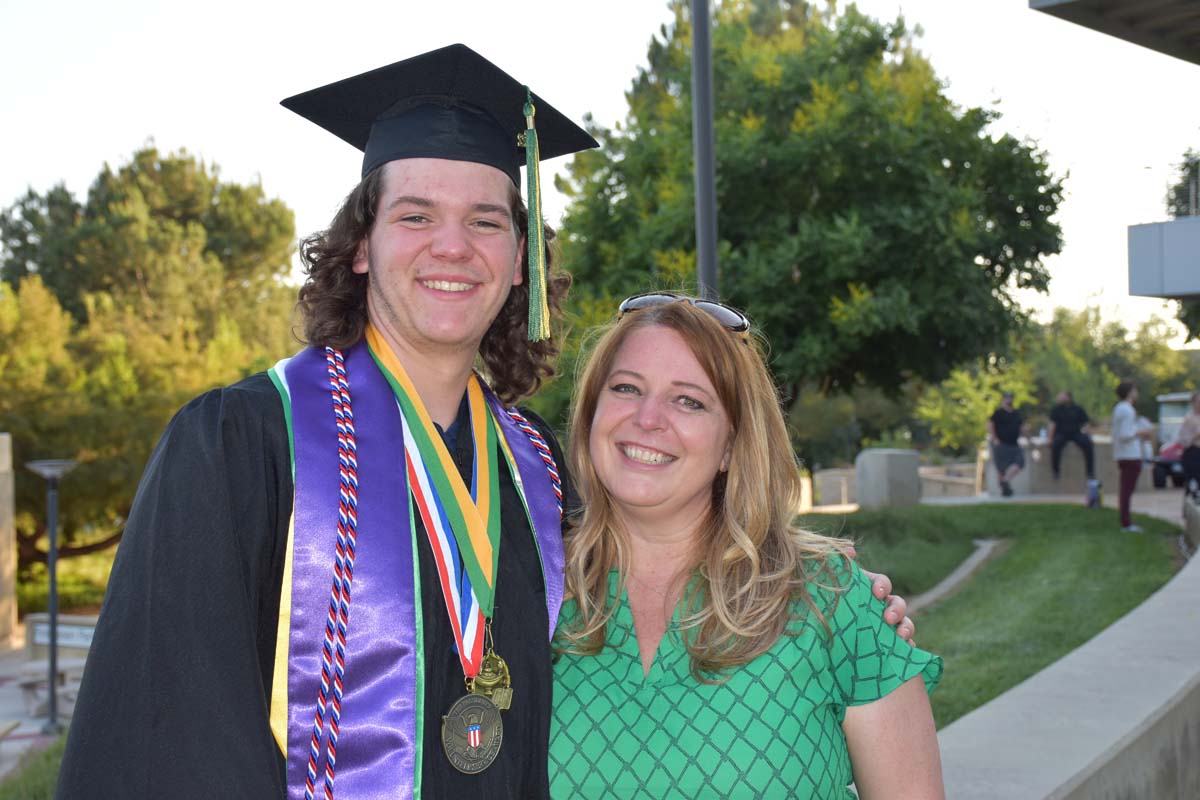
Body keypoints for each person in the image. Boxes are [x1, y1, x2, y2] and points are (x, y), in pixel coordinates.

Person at [56, 47, 913, 799]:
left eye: (486, 221)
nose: (452, 246)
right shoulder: (243, 445)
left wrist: (839, 597)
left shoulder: (539, 468)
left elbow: (676, 538)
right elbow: (166, 730)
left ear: (518, 263)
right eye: (416, 215)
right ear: (361, 245)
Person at [548, 295, 943, 799]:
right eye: (626, 388)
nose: (648, 419)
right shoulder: (527, 595)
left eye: (688, 400)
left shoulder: (831, 601)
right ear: (590, 414)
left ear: (732, 444)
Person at [1111, 381, 1154, 533]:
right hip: (1129, 455)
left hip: (1125, 454)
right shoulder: (1126, 410)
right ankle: (1126, 523)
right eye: (1135, 390)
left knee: (1126, 489)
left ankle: (1125, 521)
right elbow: (1125, 435)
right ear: (1130, 392)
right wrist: (1142, 432)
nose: (1137, 392)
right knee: (1126, 490)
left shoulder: (1121, 409)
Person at [1048, 390, 1096, 484]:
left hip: (1075, 433)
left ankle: (1090, 472)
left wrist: (1089, 435)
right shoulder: (1056, 409)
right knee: (1056, 445)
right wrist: (1050, 438)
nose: (1059, 398)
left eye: (1061, 396)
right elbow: (1052, 425)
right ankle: (1056, 471)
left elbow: (1086, 424)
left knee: (1087, 444)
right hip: (1062, 433)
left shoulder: (1078, 409)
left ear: (1068, 397)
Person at [988, 391, 1025, 497]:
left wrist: (1028, 437)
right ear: (1003, 399)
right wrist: (995, 438)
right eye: (1007, 398)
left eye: (1010, 398)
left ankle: (1005, 481)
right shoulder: (998, 413)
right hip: (1001, 444)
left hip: (1014, 444)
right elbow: (990, 425)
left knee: (1020, 463)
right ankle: (1004, 490)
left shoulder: (1016, 413)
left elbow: (1022, 427)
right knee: (1001, 468)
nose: (1009, 400)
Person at [1173, 391, 1200, 497]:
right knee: (1193, 483)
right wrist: (1196, 435)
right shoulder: (1189, 418)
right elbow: (1183, 440)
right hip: (1193, 453)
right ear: (1193, 403)